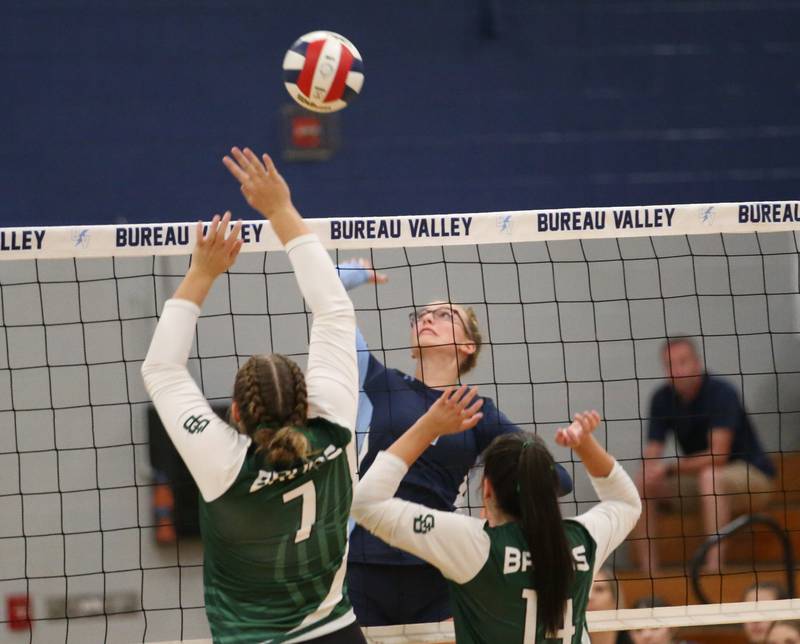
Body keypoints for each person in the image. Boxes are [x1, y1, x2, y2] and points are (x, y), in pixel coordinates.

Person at [141, 148, 365, 644]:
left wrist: (202, 271)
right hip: (339, 634)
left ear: (236, 412)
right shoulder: (335, 428)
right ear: (306, 402)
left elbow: (160, 368)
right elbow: (334, 312)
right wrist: (281, 211)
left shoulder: (224, 463)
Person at [337, 261, 574, 626]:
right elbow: (325, 293)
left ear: (468, 345)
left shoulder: (478, 411)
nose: (427, 319)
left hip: (437, 563)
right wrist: (356, 273)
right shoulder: (380, 382)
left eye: (444, 315)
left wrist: (500, 517)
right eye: (422, 315)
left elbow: (556, 478)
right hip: (365, 560)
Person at [351, 397, 641, 643]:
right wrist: (585, 446)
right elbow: (626, 503)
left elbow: (366, 503)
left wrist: (429, 427)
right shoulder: (583, 539)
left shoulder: (476, 545)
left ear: (487, 488)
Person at [633, 337, 775, 573]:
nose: (676, 371)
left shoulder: (721, 393)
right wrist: (650, 471)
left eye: (682, 362)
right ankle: (649, 573)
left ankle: (713, 569)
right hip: (701, 480)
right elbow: (652, 451)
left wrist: (667, 468)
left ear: (697, 363)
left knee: (710, 476)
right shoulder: (662, 398)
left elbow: (718, 456)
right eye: (669, 365)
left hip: (751, 475)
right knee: (642, 483)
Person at [588, 569, 631, 644]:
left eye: (599, 590)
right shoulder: (570, 638)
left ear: (615, 599)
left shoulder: (632, 638)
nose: (591, 597)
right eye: (586, 591)